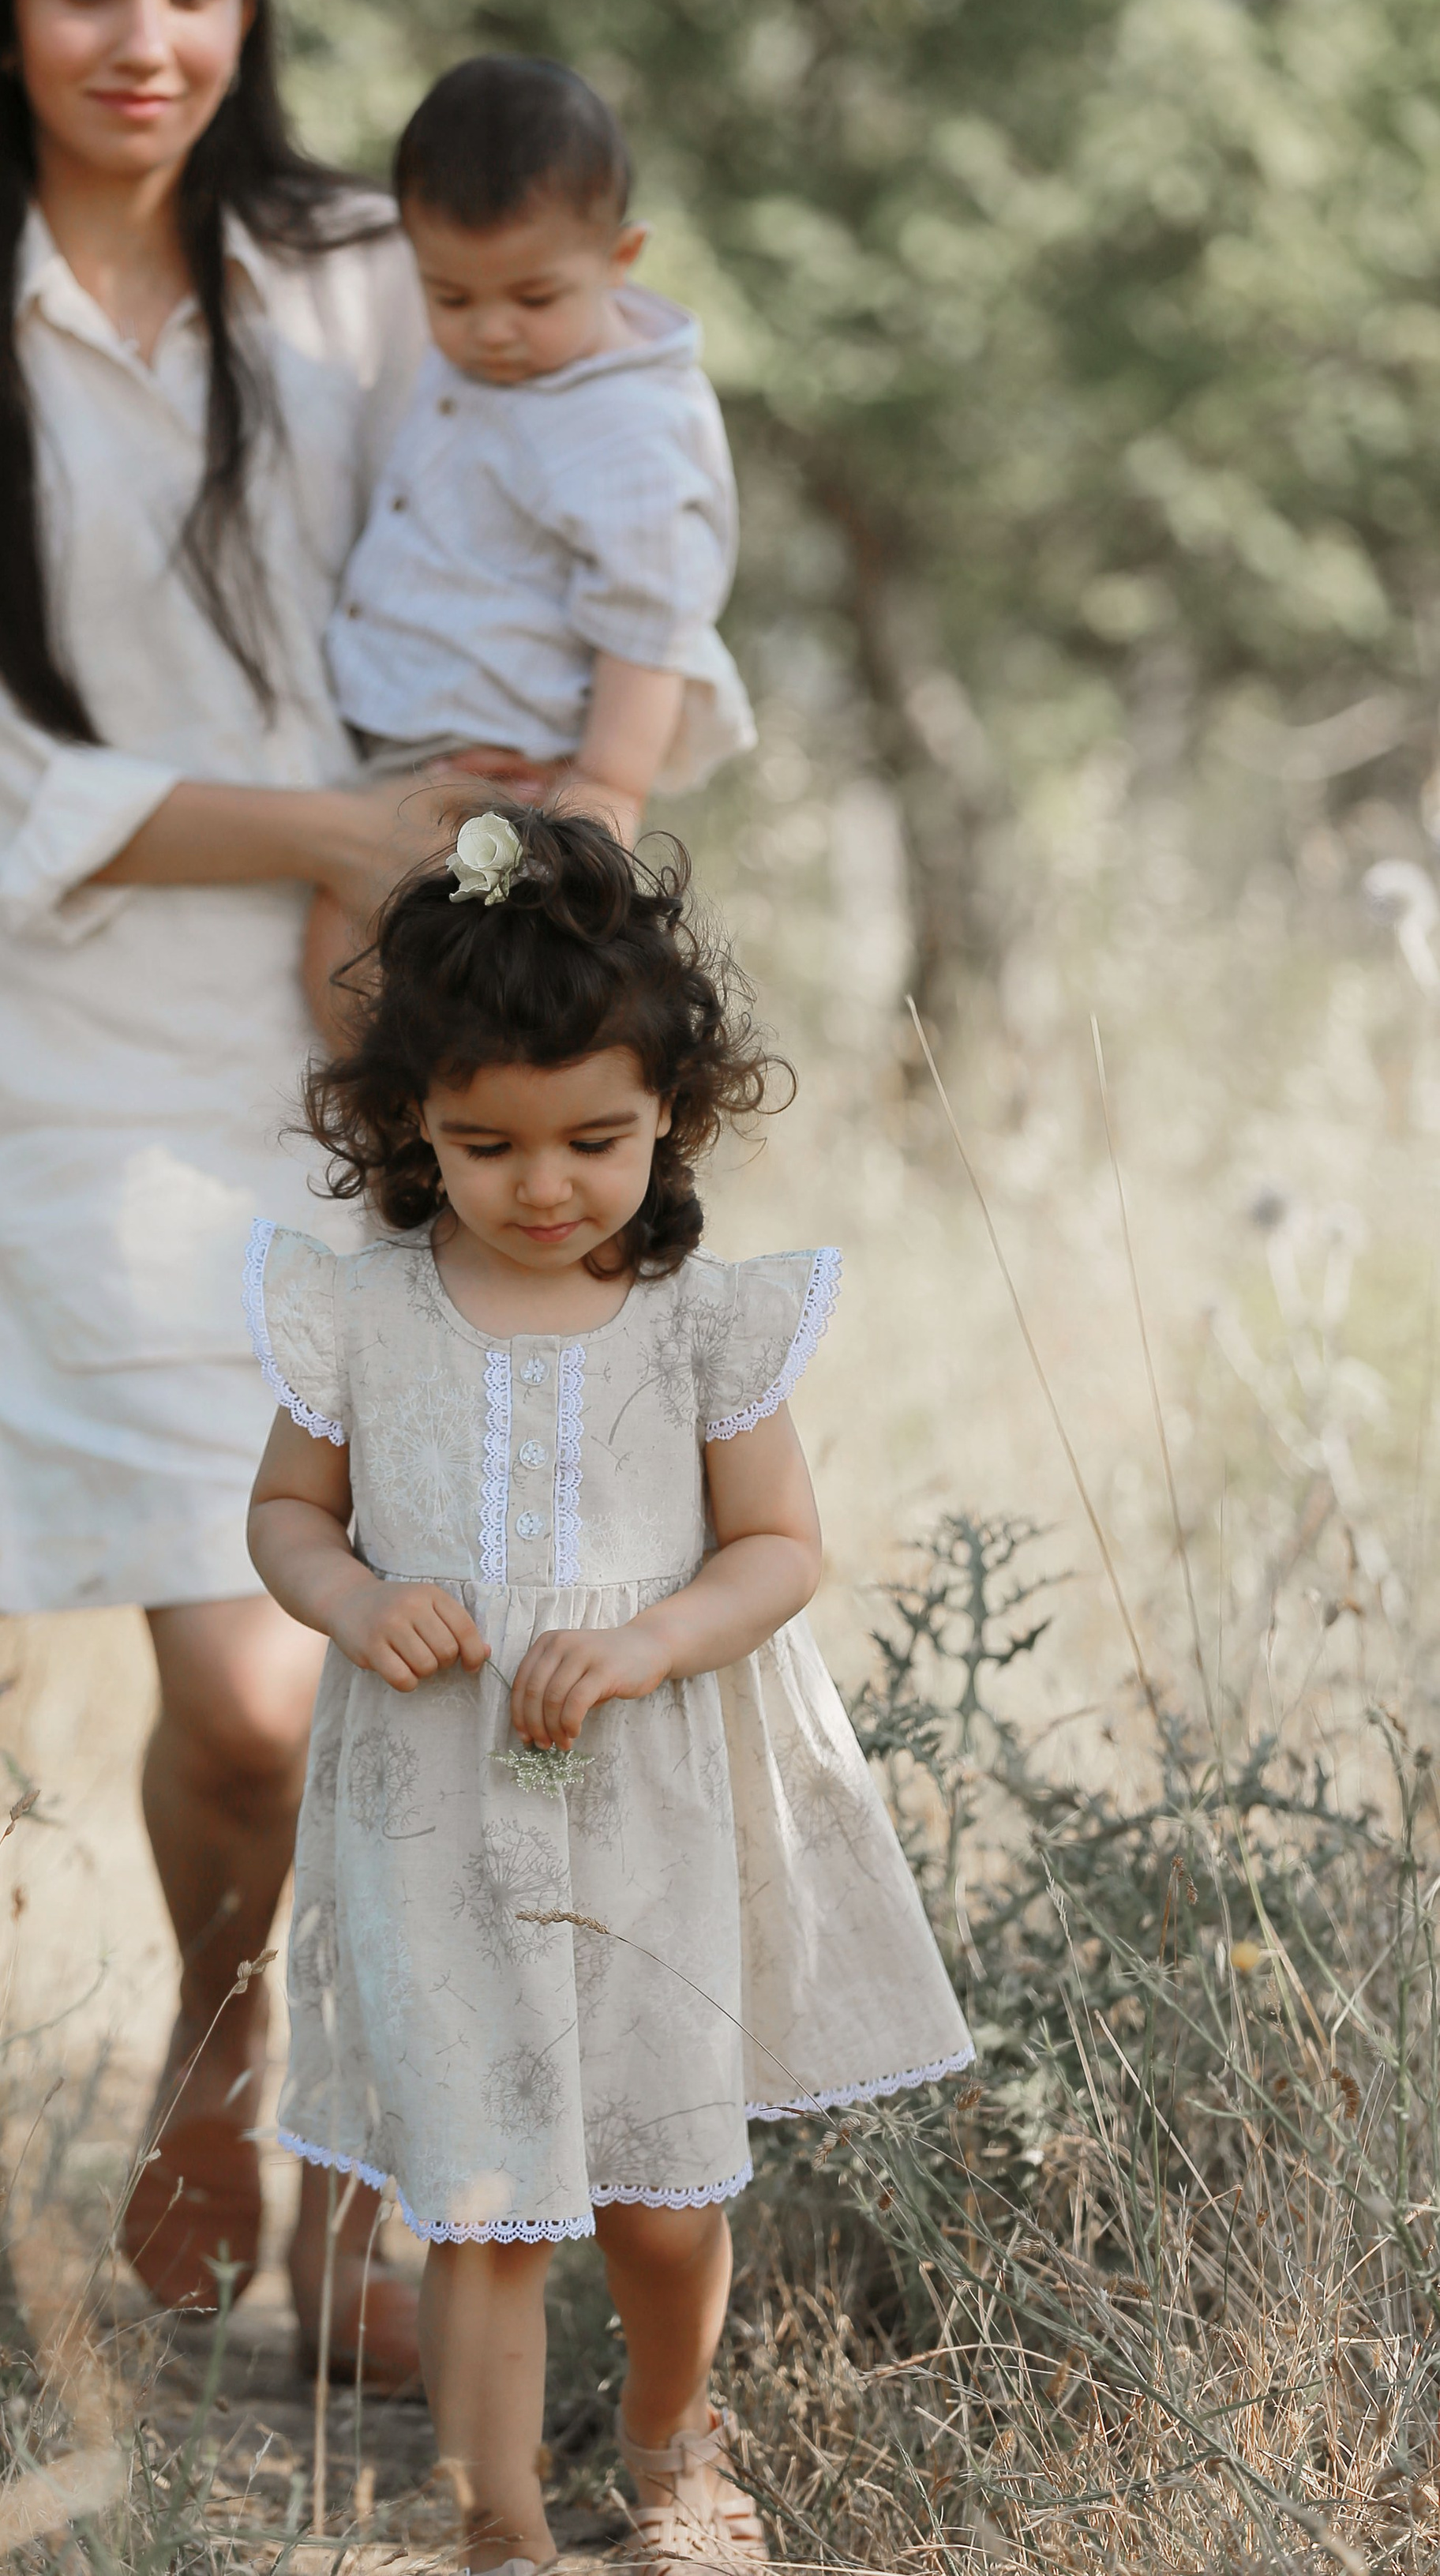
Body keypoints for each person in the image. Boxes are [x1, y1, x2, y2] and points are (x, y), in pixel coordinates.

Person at [0, 0, 440, 2381]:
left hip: (395, 1061)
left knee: (422, 1661)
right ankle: (217, 2025)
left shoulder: (367, 283)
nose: (145, 38)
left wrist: (421, 873)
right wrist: (329, 824)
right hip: (102, 1095)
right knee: (248, 1698)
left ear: (247, 6)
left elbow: (570, 546)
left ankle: (384, 2187)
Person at [246, 809, 972, 2571]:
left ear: (674, 1115)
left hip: (648, 1797)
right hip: (437, 1808)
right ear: (407, 1121)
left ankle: (670, 2440)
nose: (545, 1186)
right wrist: (352, 1600)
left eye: (595, 1139)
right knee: (485, 2199)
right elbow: (283, 1514)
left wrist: (648, 1639)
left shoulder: (701, 1323)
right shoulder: (363, 1315)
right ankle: (498, 2522)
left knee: (659, 2191)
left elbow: (779, 1549)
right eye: (487, 1144)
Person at [301, 55, 756, 1032]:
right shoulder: (490, 367)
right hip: (420, 747)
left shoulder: (627, 427)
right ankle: (403, 1160)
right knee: (351, 989)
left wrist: (599, 802)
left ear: (621, 258)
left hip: (513, 777)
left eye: (534, 298)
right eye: (452, 299)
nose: (492, 330)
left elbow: (651, 621)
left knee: (404, 991)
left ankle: (438, 1167)